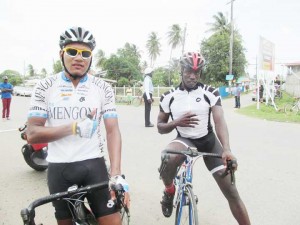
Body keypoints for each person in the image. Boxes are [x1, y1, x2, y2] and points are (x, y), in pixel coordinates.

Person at [26, 26, 129, 225]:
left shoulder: (102, 88)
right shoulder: (45, 86)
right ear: (61, 54)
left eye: (85, 53)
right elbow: (32, 133)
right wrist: (73, 128)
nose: (78, 58)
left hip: (93, 164)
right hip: (59, 168)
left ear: (91, 57)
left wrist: (116, 174)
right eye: (72, 52)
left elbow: (112, 130)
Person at [157, 52, 251, 225]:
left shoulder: (210, 92)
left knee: (231, 192)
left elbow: (219, 120)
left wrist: (227, 149)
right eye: (188, 71)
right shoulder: (168, 96)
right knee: (167, 158)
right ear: (181, 70)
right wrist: (176, 122)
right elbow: (160, 127)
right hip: (184, 139)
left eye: (197, 72)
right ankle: (169, 190)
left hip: (208, 141)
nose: (193, 76)